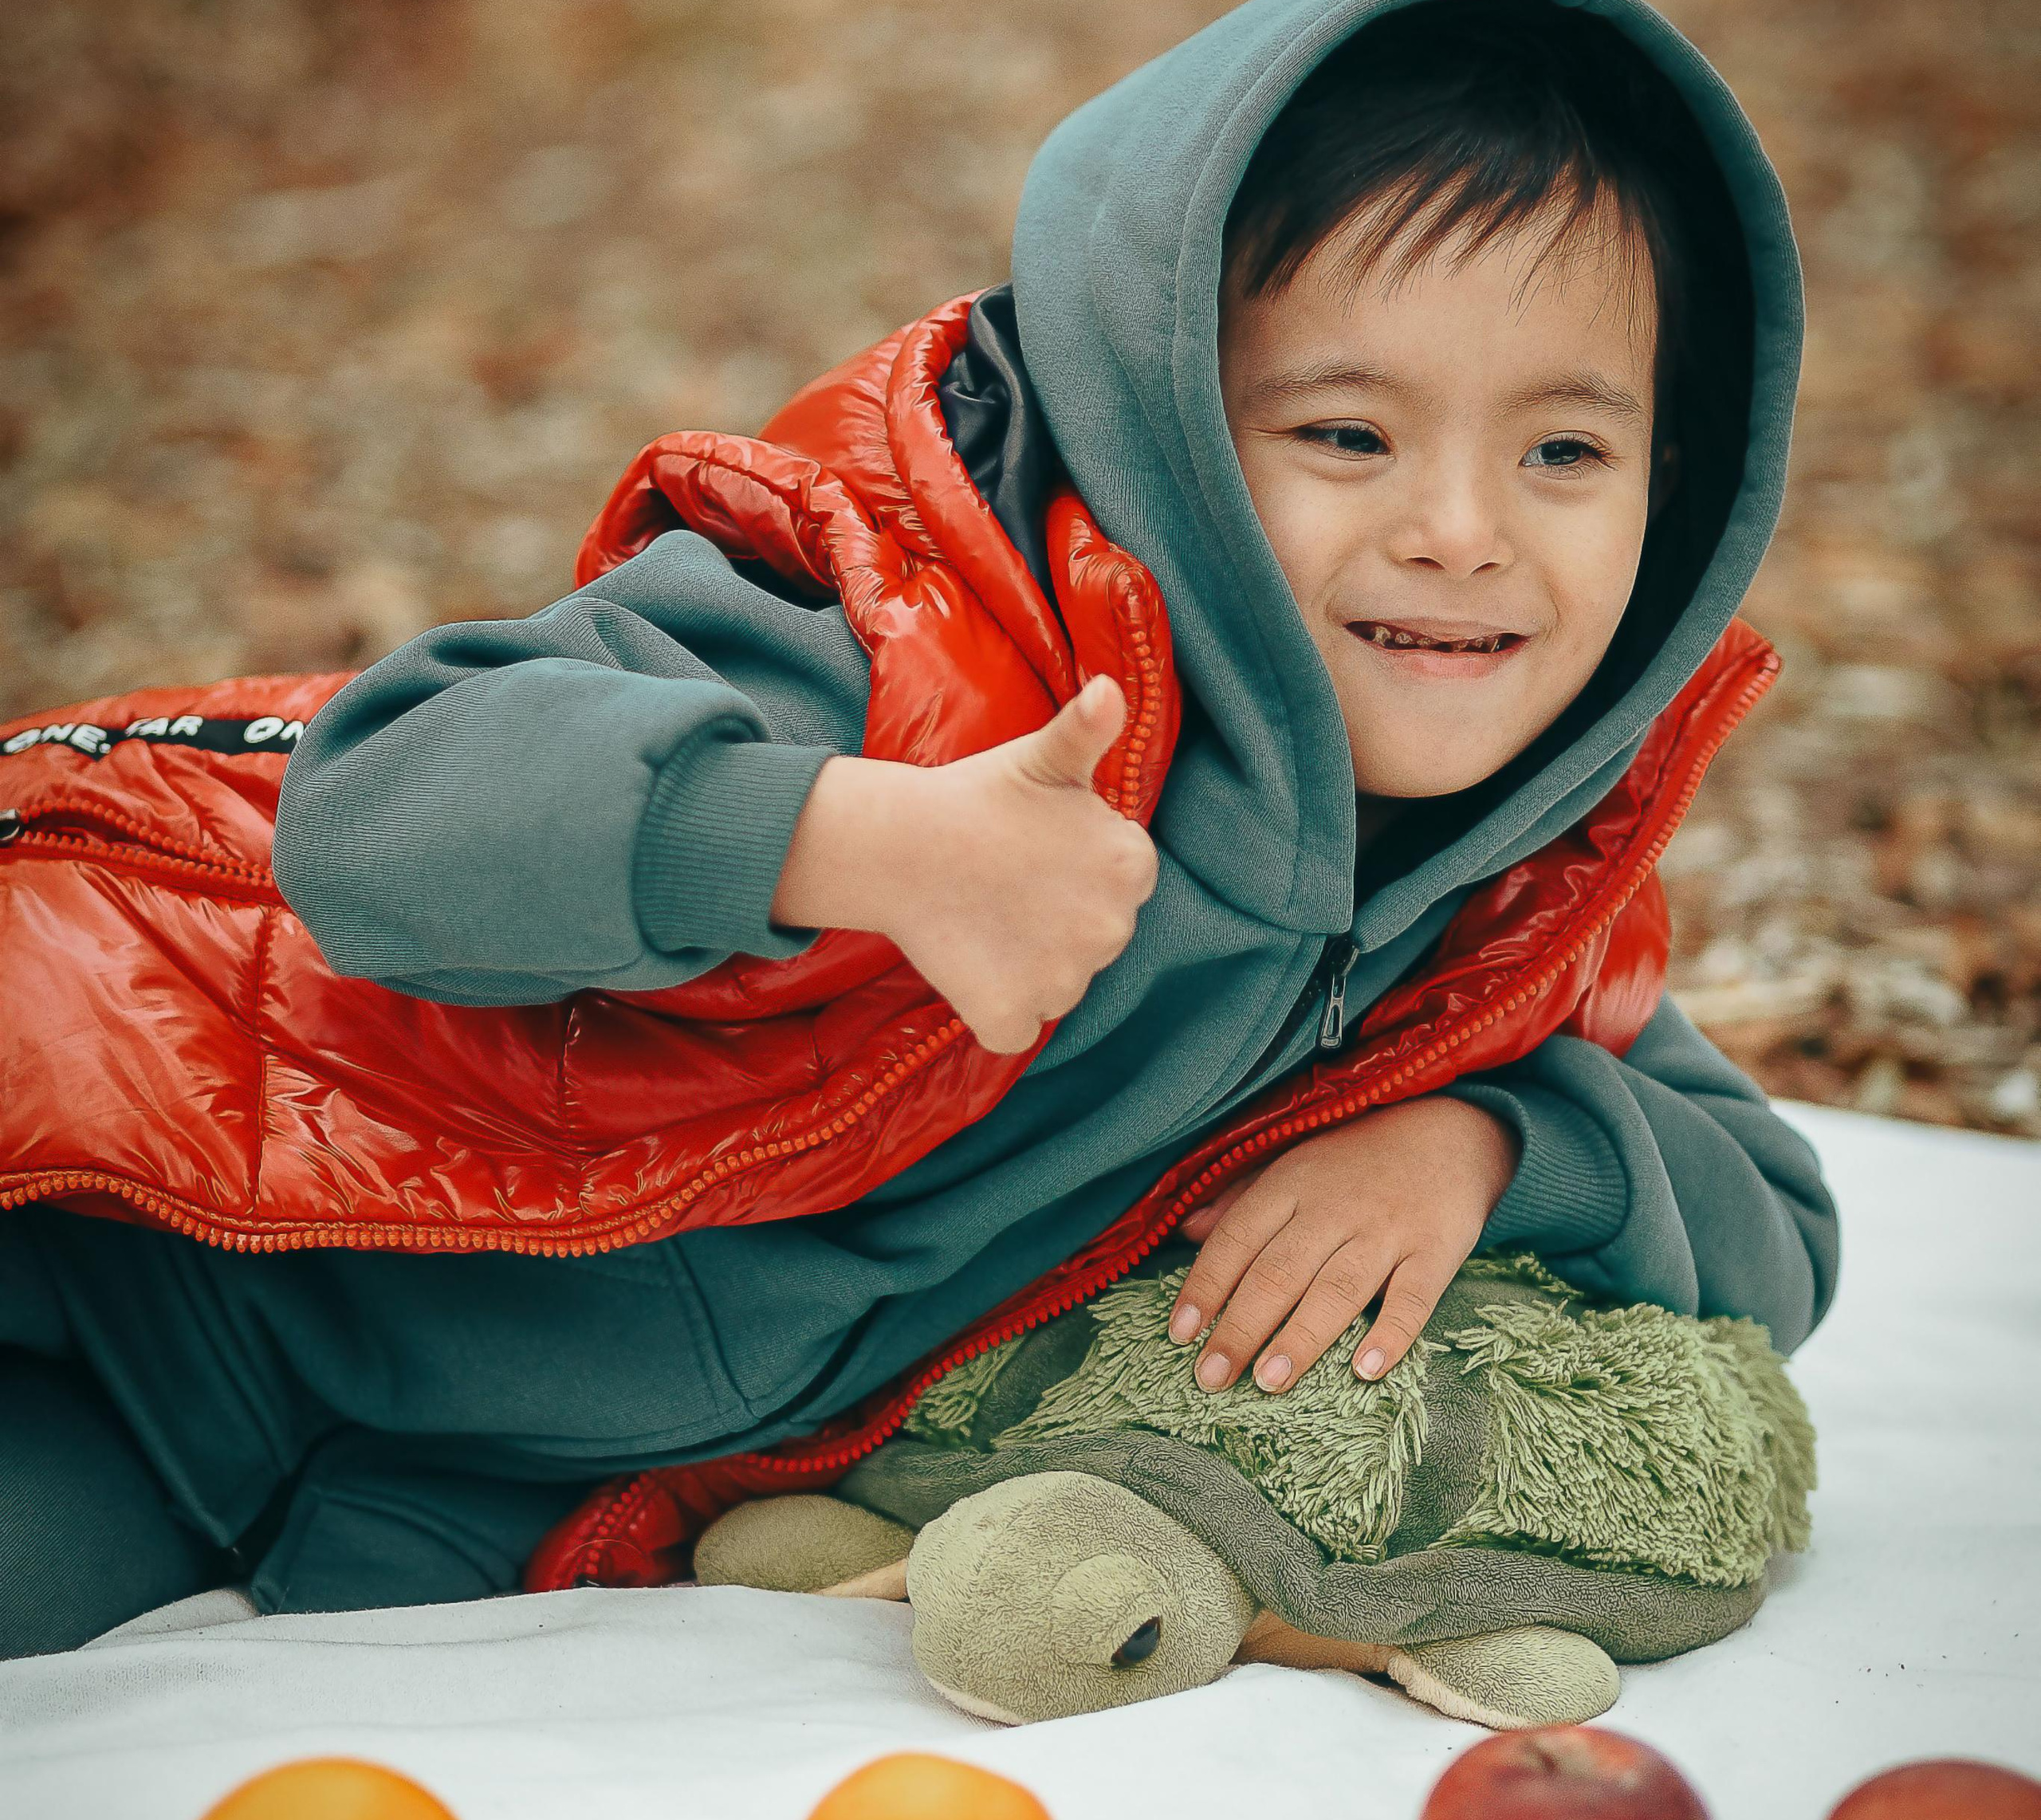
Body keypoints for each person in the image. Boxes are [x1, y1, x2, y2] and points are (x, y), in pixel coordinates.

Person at [0, 0, 1837, 1655]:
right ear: (1167, 428)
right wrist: (851, 840)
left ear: (1670, 492)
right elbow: (378, 808)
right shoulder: (914, 642)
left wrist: (1490, 1145)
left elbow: (1776, 1218)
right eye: (1345, 436)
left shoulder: (1505, 894)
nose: (1459, 525)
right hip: (138, 1230)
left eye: (1562, 453)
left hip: (394, 1481)